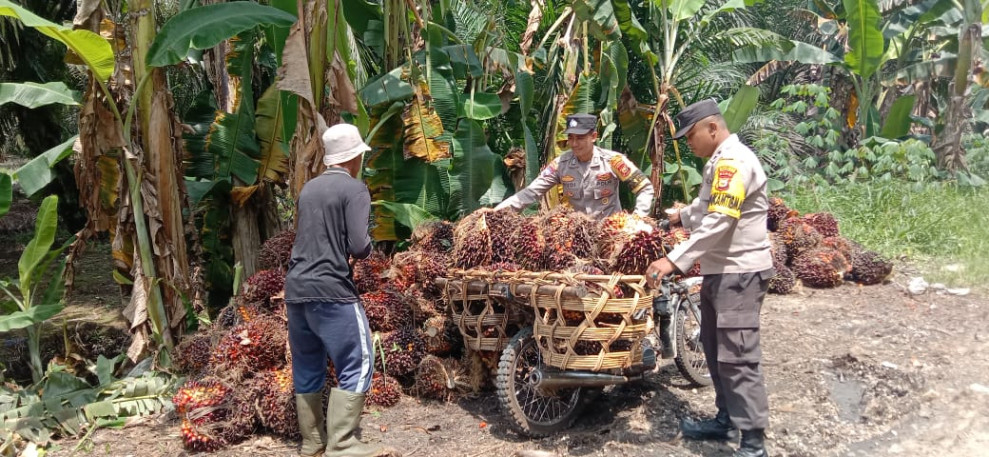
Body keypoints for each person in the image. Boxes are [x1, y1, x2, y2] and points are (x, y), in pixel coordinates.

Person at [645, 99, 774, 457]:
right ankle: (725, 418)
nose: (689, 144)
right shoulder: (718, 162)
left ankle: (752, 442)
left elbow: (720, 221)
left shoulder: (734, 161)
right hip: (722, 271)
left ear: (712, 128)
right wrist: (676, 219)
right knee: (716, 351)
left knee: (738, 355)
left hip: (740, 272)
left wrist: (673, 260)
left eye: (691, 136)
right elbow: (706, 208)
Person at [285, 123, 398, 457]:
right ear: (354, 158)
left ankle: (312, 442)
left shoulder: (309, 189)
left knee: (307, 364)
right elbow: (360, 246)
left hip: (296, 290)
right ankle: (343, 444)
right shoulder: (355, 190)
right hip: (331, 289)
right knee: (358, 360)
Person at [495, 113, 655, 218]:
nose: (574, 143)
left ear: (593, 136)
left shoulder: (613, 161)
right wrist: (495, 214)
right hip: (578, 236)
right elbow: (530, 193)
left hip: (611, 234)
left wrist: (638, 219)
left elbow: (645, 187)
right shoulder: (560, 165)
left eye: (579, 138)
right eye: (571, 138)